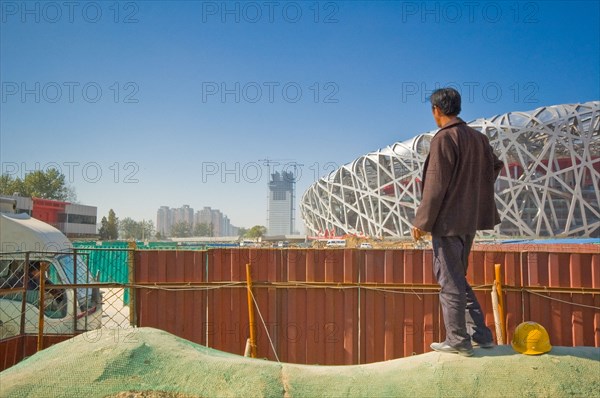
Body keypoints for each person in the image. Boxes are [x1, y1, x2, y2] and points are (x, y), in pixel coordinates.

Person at [411, 88, 503, 357]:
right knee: (457, 279)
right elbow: (495, 166)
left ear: (436, 110)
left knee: (449, 281)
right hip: (469, 221)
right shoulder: (478, 138)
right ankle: (482, 336)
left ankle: (458, 340)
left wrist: (422, 222)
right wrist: (473, 190)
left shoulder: (444, 138)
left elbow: (435, 186)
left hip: (448, 223)